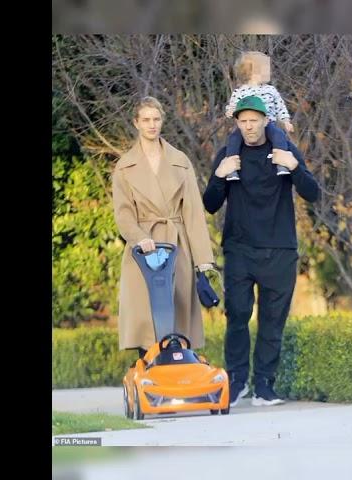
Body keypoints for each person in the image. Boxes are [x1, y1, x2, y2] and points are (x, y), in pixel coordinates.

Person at [203, 95, 321, 407]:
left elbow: (313, 193)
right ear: (237, 123)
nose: (249, 126)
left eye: (254, 120)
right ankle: (237, 381)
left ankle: (264, 387)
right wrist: (218, 175)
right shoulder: (227, 155)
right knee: (238, 315)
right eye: (243, 121)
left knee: (272, 320)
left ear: (266, 120)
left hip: (280, 249)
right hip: (240, 249)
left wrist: (294, 167)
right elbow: (210, 204)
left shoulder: (284, 151)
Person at [112, 96, 215, 359]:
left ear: (162, 121)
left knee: (177, 316)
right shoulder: (124, 166)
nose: (151, 125)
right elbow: (123, 215)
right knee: (146, 318)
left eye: (156, 119)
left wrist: (203, 260)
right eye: (146, 120)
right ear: (136, 123)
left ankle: (178, 379)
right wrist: (139, 238)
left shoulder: (180, 161)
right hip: (142, 251)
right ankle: (148, 376)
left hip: (176, 245)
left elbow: (193, 213)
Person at [224, 50, 294, 180]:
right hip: (247, 126)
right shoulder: (240, 91)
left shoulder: (270, 90)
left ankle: (281, 165)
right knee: (234, 139)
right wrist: (229, 111)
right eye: (266, 68)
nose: (269, 72)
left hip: (269, 124)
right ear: (253, 71)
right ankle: (231, 169)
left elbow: (280, 106)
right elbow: (232, 106)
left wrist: (285, 121)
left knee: (279, 135)